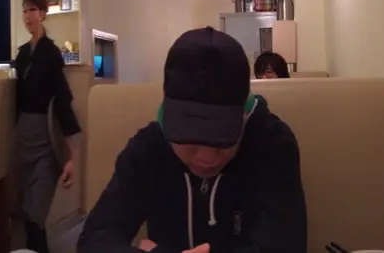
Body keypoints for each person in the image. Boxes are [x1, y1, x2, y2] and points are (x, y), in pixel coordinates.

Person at [78, 27, 306, 253]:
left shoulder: (272, 144)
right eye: (189, 136)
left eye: (222, 138)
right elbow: (95, 238)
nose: (206, 157)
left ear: (244, 117)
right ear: (166, 120)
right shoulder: (148, 148)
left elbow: (286, 246)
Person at [13, 0, 81, 253]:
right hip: (22, 139)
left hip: (46, 141)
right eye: (24, 10)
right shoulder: (21, 55)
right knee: (24, 210)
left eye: (32, 10)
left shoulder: (51, 53)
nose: (27, 16)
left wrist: (71, 156)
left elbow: (62, 101)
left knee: (36, 213)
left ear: (42, 14)